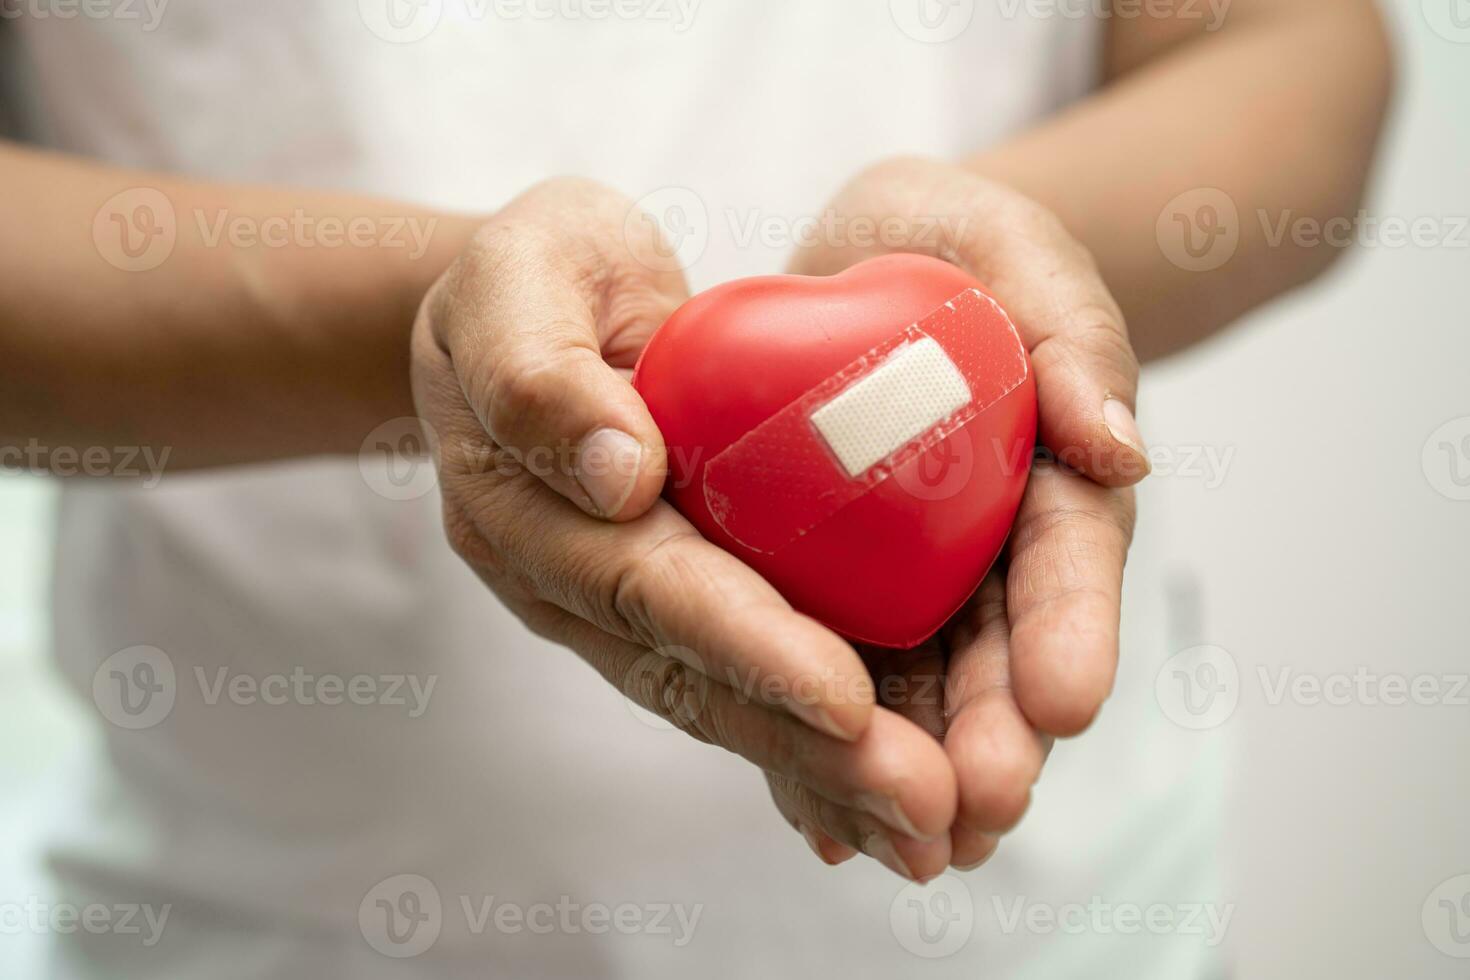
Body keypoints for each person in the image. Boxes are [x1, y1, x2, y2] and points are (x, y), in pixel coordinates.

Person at [0, 1, 1391, 976]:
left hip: (1067, 937)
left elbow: (1302, 45)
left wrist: (1007, 290)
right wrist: (446, 337)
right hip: (251, 932)